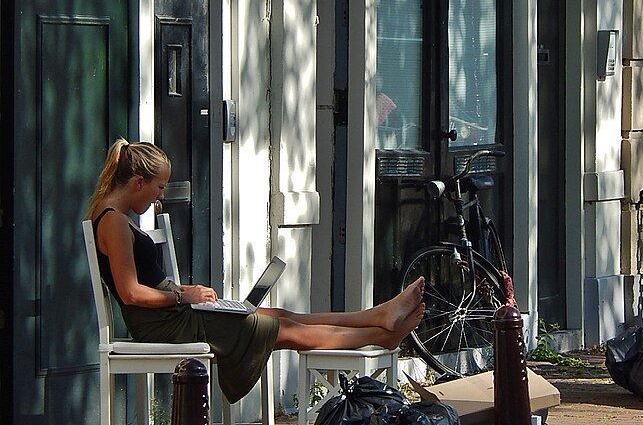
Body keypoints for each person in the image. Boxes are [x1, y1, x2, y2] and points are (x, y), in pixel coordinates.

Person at [86, 139, 425, 404]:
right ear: (137, 182)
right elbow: (131, 293)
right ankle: (383, 333)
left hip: (174, 315)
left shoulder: (114, 215)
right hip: (164, 326)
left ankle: (378, 315)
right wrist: (182, 294)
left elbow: (143, 281)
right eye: (159, 187)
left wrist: (187, 292)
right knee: (281, 329)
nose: (160, 196)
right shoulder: (114, 222)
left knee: (277, 314)